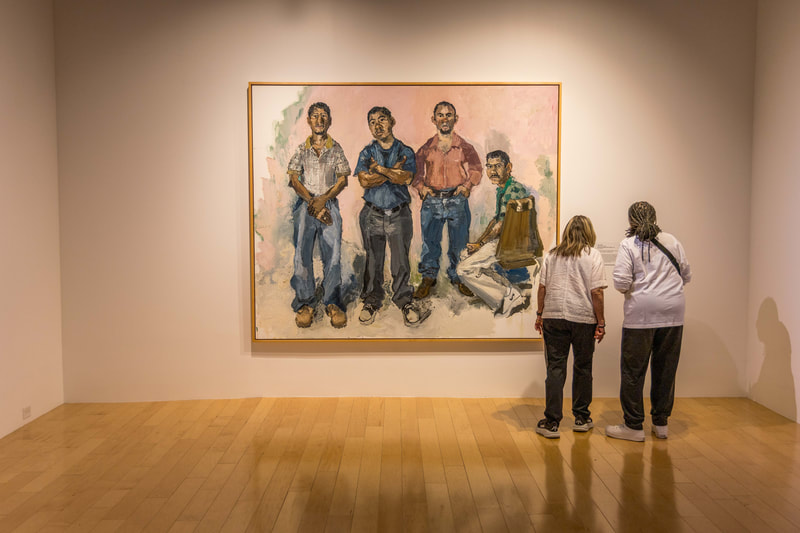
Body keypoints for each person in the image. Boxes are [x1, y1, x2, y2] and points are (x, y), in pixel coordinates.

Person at [605, 201, 692, 442]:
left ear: (630, 221)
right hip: (673, 313)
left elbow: (621, 282)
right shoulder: (672, 241)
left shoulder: (628, 244)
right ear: (655, 217)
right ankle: (661, 424)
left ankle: (633, 425)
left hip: (640, 315)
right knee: (666, 369)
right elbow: (686, 274)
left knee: (633, 371)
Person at [354, 106, 430, 327]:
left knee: (400, 261)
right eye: (372, 122)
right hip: (372, 213)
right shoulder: (367, 152)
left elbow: (405, 178)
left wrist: (379, 169)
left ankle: (405, 302)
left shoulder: (405, 151)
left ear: (392, 121)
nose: (377, 126)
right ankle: (371, 301)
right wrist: (392, 171)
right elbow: (364, 181)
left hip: (398, 213)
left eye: (382, 120)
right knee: (373, 260)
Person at [533, 215, 607, 439]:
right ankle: (581, 418)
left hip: (554, 317)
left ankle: (552, 422)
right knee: (583, 367)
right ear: (589, 232)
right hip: (583, 317)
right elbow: (597, 292)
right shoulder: (593, 255)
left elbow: (542, 288)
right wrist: (601, 322)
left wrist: (539, 314)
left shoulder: (552, 255)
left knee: (555, 368)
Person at [287, 102, 350, 329]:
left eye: (324, 116)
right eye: (315, 116)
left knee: (332, 254)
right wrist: (313, 202)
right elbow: (294, 179)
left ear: (329, 120)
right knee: (302, 254)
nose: (320, 120)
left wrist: (324, 200)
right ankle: (305, 302)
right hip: (306, 205)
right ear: (309, 120)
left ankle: (332, 302)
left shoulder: (336, 149)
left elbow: (342, 180)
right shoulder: (301, 150)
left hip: (329, 204)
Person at [412, 101, 483, 299]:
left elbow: (477, 168)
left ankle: (459, 278)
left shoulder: (464, 146)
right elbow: (415, 173)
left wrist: (467, 186)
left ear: (455, 119)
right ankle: (428, 278)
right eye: (440, 115)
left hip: (456, 201)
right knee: (430, 243)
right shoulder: (426, 147)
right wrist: (421, 187)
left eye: (448, 115)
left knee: (459, 243)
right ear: (434, 119)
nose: (444, 119)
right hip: (432, 201)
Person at [456, 150, 532, 317]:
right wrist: (479, 242)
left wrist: (481, 244)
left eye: (498, 166)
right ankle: (507, 291)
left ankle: (506, 297)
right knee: (465, 255)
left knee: (463, 269)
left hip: (509, 242)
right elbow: (496, 220)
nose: (493, 171)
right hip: (505, 239)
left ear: (508, 167)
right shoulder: (504, 189)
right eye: (489, 167)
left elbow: (500, 225)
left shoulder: (513, 190)